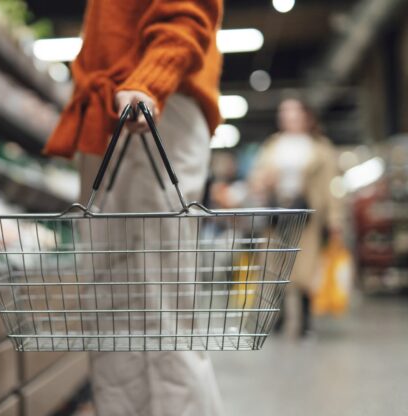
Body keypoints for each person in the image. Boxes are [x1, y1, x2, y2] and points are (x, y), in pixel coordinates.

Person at [44, 1, 224, 415]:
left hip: (151, 105)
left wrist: (152, 79)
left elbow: (188, 11)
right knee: (114, 308)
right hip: (119, 110)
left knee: (156, 307)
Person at [249, 98, 343, 338]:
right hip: (277, 214)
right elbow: (257, 177)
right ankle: (276, 319)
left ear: (305, 116)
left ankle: (305, 321)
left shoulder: (320, 148)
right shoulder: (273, 146)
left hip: (308, 215)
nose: (288, 117)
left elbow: (331, 186)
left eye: (293, 112)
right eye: (284, 112)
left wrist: (335, 220)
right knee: (275, 267)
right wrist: (262, 183)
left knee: (305, 268)